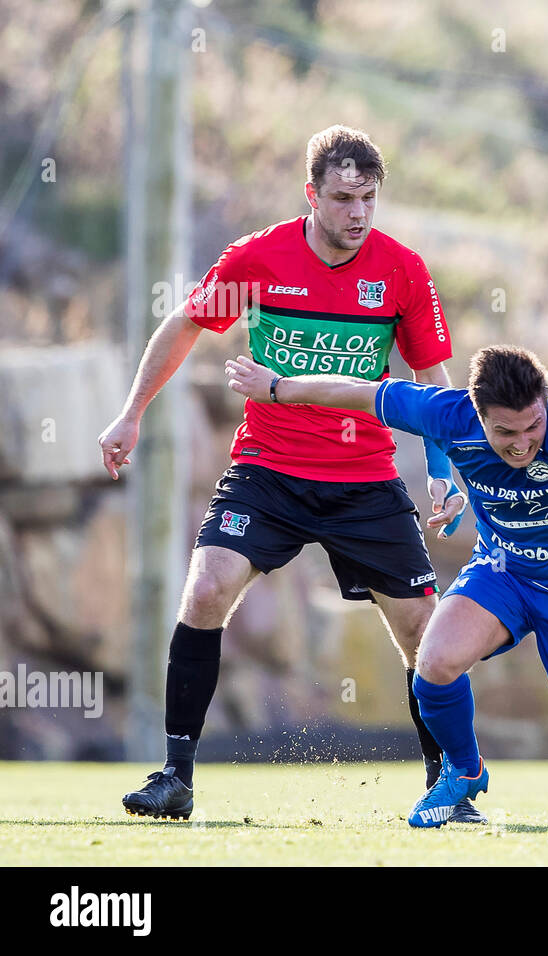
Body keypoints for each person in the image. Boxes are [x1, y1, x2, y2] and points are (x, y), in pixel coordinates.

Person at [98, 125, 483, 823]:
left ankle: (446, 786)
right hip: (268, 470)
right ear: (312, 194)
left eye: (369, 197)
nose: (358, 213)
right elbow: (184, 325)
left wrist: (441, 468)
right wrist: (132, 414)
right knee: (208, 586)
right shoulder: (258, 258)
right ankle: (176, 777)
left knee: (425, 630)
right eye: (342, 198)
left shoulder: (401, 270)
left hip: (364, 476)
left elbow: (432, 379)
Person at [225, 344, 548, 828]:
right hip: (506, 571)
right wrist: (278, 387)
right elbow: (357, 393)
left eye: (532, 427)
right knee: (434, 662)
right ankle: (465, 772)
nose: (521, 444)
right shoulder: (446, 413)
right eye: (504, 433)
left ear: (545, 403)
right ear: (478, 415)